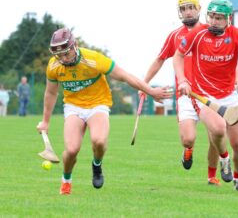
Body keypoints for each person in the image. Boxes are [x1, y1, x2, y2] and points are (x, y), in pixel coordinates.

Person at [36, 28, 172, 195]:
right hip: (73, 106)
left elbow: (125, 76)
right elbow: (51, 92)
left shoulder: (94, 59)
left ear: (74, 46)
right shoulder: (54, 66)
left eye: (66, 53)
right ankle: (66, 179)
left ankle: (97, 165)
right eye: (59, 55)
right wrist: (45, 121)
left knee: (99, 141)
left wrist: (151, 91)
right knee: (71, 150)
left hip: (98, 104)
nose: (63, 58)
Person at [143, 0, 238, 186]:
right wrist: (144, 84)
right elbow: (160, 59)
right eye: (183, 9)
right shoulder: (175, 36)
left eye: (191, 7)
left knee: (215, 133)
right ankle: (188, 149)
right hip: (185, 95)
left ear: (199, 10)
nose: (187, 11)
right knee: (188, 138)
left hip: (208, 92)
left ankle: (213, 174)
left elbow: (229, 59)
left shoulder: (211, 31)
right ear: (179, 12)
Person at [173, 0, 238, 191]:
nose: (214, 21)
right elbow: (178, 56)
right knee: (217, 129)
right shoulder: (197, 34)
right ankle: (224, 160)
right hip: (203, 95)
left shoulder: (237, 35)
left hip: (229, 97)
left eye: (219, 18)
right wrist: (182, 79)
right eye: (212, 17)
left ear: (228, 18)